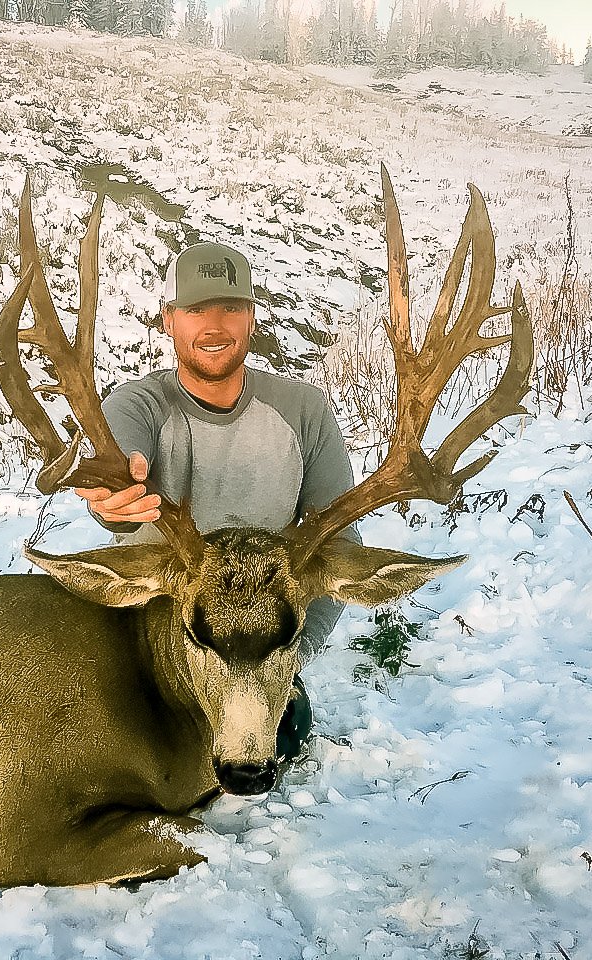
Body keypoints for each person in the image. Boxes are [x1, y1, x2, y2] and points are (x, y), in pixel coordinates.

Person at [73, 240, 359, 767]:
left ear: (251, 318)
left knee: (283, 737)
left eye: (230, 307)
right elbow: (119, 447)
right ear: (168, 321)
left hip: (260, 634)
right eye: (195, 309)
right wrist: (114, 490)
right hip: (153, 631)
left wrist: (286, 665)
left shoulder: (301, 409)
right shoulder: (139, 402)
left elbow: (337, 547)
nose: (213, 325)